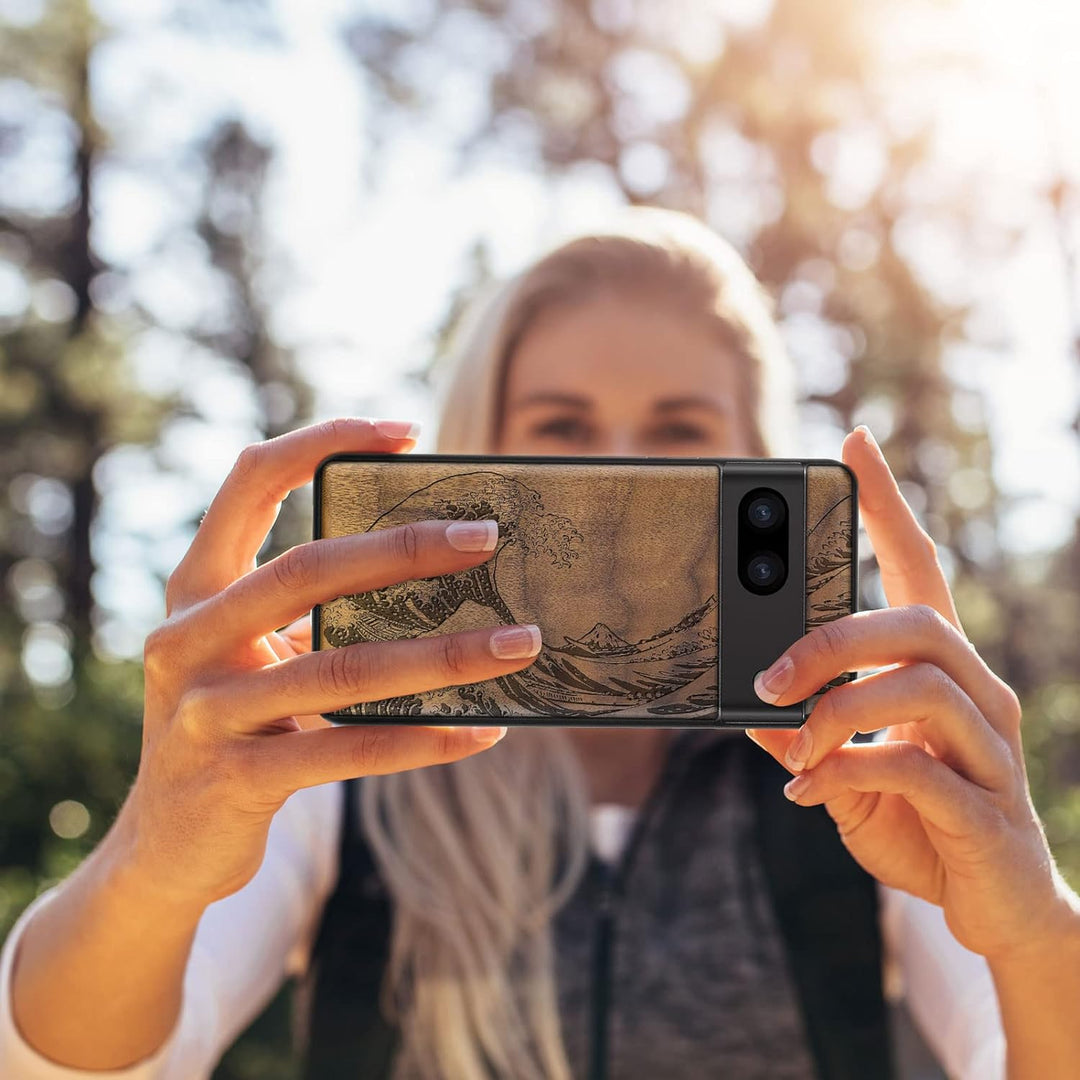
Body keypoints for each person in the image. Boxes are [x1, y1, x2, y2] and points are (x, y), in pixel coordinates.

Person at [2, 207, 1079, 1080]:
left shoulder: (857, 772)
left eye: (678, 435)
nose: (618, 481)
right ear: (479, 456)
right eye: (561, 431)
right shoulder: (343, 764)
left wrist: (1033, 931)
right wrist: (155, 857)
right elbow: (74, 1066)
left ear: (759, 466)